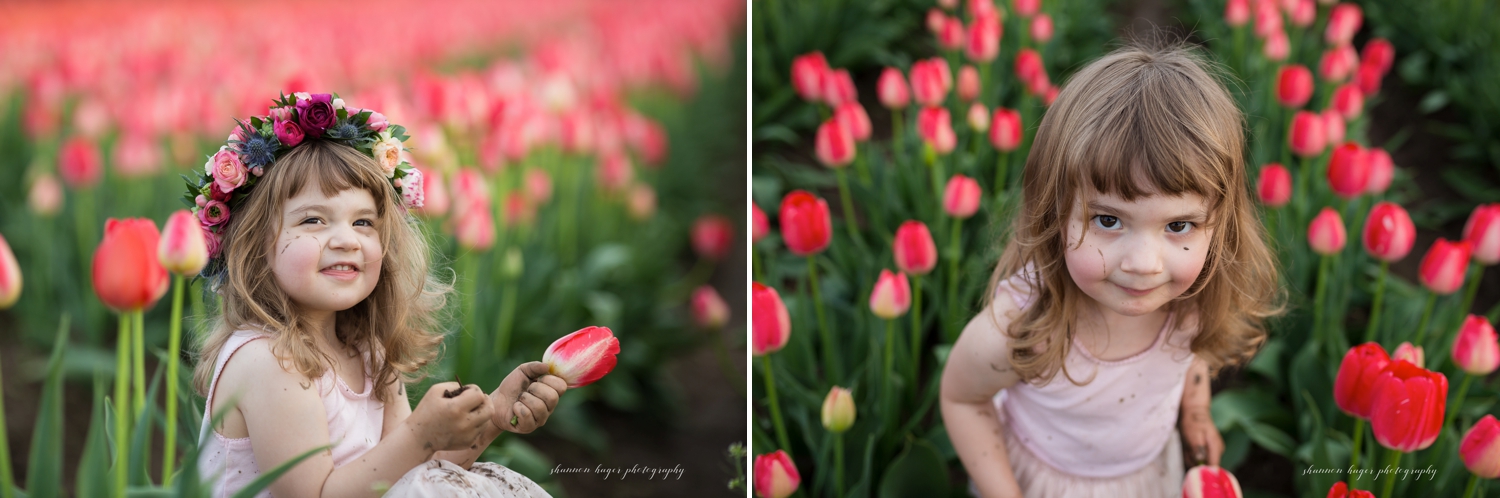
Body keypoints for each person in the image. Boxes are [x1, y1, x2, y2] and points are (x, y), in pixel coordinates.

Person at [939, 42, 1285, 497]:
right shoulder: (1020, 325)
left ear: (1219, 226)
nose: (1143, 264)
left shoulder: (1192, 301)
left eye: (1178, 225)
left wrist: (1196, 411)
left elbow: (1191, 357)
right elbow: (962, 398)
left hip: (1147, 476)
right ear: (1056, 212)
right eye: (1107, 220)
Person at [190, 92, 559, 497]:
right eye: (313, 220)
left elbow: (409, 477)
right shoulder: (268, 360)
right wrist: (420, 434)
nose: (347, 240)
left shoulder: (367, 351)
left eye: (363, 222)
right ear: (255, 244)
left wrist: (492, 417)